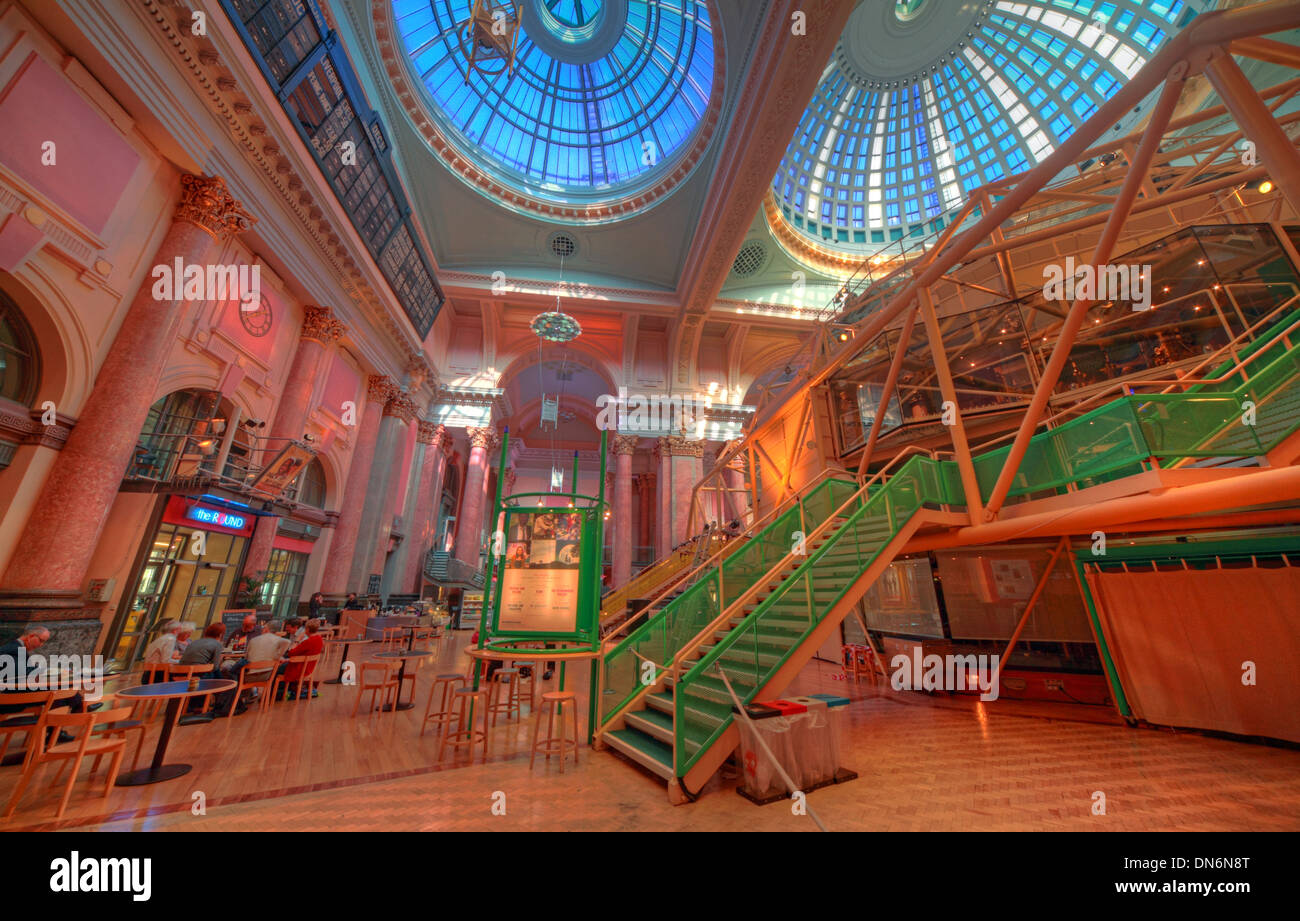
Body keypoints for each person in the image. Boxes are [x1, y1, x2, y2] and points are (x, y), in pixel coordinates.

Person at [274, 619, 324, 699]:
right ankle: (281, 692)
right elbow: (303, 656)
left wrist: (297, 640)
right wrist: (287, 660)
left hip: (299, 668)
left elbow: (291, 653)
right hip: (308, 666)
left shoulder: (308, 641)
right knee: (282, 663)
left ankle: (277, 693)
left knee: (276, 669)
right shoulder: (319, 639)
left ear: (307, 629)